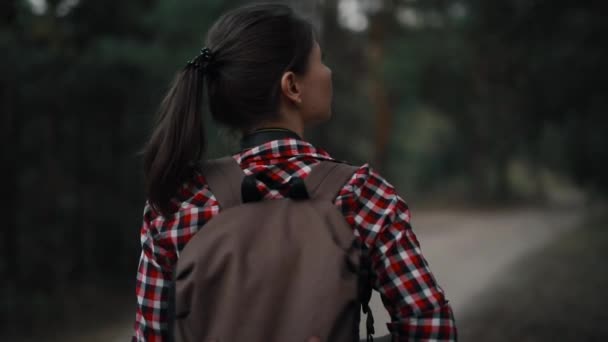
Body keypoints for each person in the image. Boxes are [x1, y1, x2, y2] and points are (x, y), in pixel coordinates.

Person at [133, 3, 457, 341]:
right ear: (292, 86)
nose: (328, 73)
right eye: (320, 60)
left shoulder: (177, 201)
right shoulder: (361, 194)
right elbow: (433, 331)